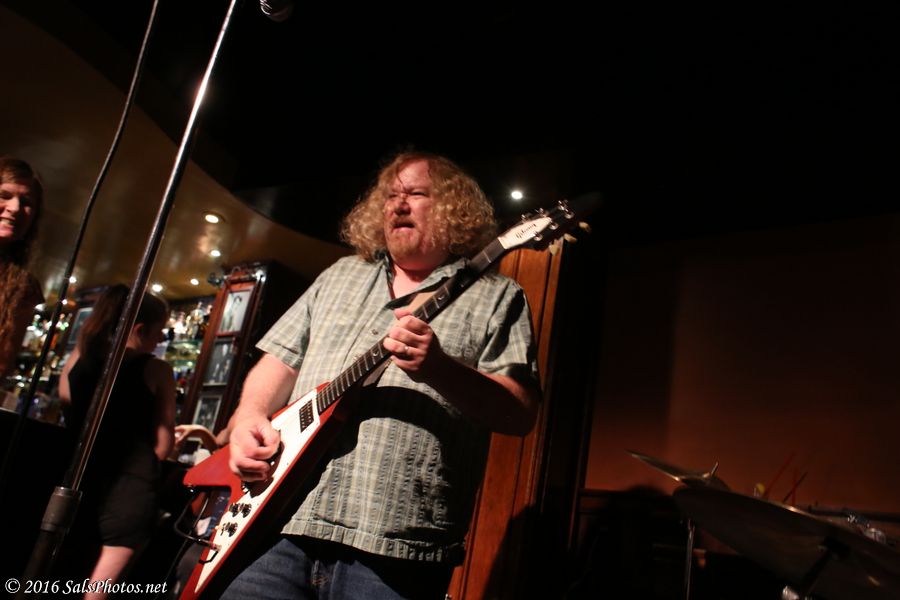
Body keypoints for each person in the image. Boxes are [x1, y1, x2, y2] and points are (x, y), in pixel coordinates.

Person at [222, 153, 540, 599]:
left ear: (455, 208)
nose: (398, 205)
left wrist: (439, 369)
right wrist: (248, 417)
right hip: (277, 527)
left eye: (416, 193)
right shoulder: (339, 275)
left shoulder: (499, 296)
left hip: (396, 550)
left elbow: (519, 413)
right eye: (391, 196)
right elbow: (280, 361)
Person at [58, 285, 176, 599]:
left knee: (56, 579)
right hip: (129, 493)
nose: (160, 341)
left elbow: (69, 409)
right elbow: (163, 446)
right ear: (140, 329)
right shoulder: (157, 369)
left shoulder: (77, 360)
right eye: (160, 332)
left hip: (79, 483)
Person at [0, 156, 44, 377]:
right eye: (4, 196)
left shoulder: (24, 287)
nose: (15, 208)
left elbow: (2, 364)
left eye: (26, 202)